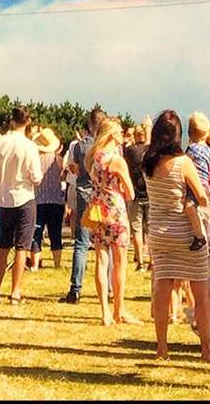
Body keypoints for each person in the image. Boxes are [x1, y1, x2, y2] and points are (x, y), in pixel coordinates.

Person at [142, 110, 210, 362]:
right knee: (200, 293)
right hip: (186, 234)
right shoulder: (183, 163)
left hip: (158, 231)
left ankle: (161, 348)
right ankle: (207, 349)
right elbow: (201, 196)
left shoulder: (148, 162)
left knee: (162, 290)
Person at [0, 106, 46, 304]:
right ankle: (15, 292)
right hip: (24, 198)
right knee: (22, 247)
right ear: (27, 122)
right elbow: (36, 177)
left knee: (3, 245)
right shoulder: (29, 146)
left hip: (3, 199)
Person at [85, 117, 137, 327]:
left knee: (101, 260)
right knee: (120, 263)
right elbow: (130, 193)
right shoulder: (117, 161)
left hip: (98, 209)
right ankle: (119, 309)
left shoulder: (94, 157)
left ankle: (105, 311)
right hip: (115, 209)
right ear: (113, 135)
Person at [60, 107, 106, 305]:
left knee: (81, 243)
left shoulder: (79, 146)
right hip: (102, 197)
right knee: (105, 245)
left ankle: (75, 289)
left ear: (89, 124)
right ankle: (108, 289)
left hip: (83, 193)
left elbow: (75, 170)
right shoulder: (107, 148)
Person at [31, 127, 66, 270]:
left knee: (36, 233)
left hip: (38, 200)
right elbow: (62, 175)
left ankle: (34, 264)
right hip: (56, 200)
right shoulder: (58, 159)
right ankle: (57, 263)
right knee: (55, 233)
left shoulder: (35, 159)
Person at [125, 121, 151, 271]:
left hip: (135, 194)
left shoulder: (130, 151)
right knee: (150, 229)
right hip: (149, 194)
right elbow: (148, 145)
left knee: (137, 230)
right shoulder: (150, 151)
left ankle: (140, 261)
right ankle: (152, 260)